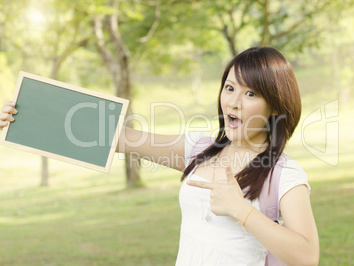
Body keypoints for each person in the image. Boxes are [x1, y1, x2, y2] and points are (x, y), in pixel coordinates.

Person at [0, 47, 319, 265]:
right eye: (230, 88)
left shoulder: (284, 174)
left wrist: (242, 211)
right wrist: (25, 116)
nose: (233, 102)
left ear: (275, 105)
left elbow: (307, 255)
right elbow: (119, 138)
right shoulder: (200, 150)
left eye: (251, 93)